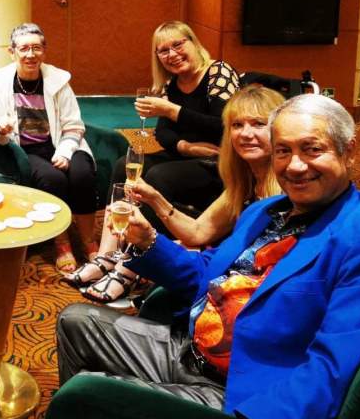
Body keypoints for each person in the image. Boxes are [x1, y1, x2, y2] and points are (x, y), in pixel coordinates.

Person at [56, 94, 360, 419]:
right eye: (283, 151)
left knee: (86, 397)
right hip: (191, 349)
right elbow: (207, 274)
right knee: (76, 321)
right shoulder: (265, 211)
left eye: (312, 149)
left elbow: (335, 363)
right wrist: (149, 240)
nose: (295, 166)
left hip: (243, 391)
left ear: (348, 151)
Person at [73, 84, 285, 303]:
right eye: (237, 125)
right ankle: (112, 261)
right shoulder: (244, 185)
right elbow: (198, 231)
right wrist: (155, 199)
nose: (246, 134)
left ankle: (127, 273)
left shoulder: (288, 191)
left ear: (280, 130)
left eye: (258, 124)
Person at [0, 22, 97, 274]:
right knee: (53, 180)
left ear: (44, 51)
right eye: (23, 48)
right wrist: (0, 130)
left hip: (64, 143)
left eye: (36, 48)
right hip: (28, 151)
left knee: (82, 174)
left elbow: (74, 125)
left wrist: (65, 151)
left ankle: (89, 241)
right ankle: (62, 243)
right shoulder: (0, 81)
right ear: (11, 52)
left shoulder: (58, 80)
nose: (30, 54)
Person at [122, 20, 240, 223]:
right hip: (186, 155)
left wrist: (172, 110)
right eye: (164, 51)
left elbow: (224, 126)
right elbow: (163, 133)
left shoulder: (219, 72)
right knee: (123, 165)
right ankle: (118, 232)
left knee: (158, 176)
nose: (172, 54)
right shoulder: (172, 82)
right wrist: (187, 148)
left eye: (177, 45)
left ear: (194, 43)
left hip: (219, 160)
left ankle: (150, 237)